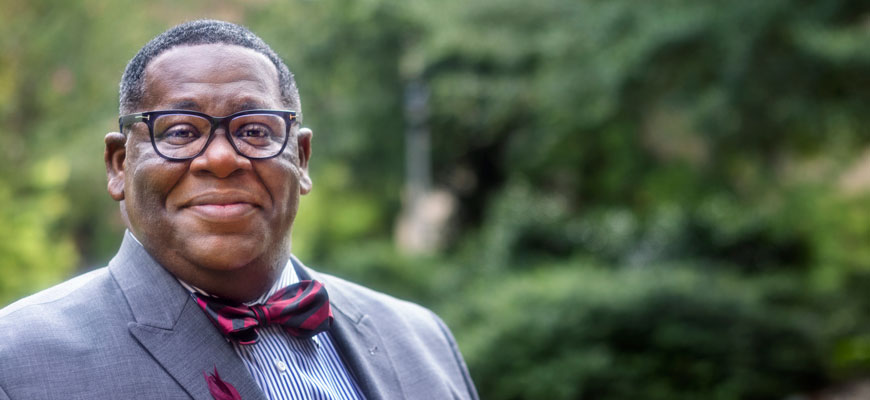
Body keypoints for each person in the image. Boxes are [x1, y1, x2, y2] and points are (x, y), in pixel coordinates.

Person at [0, 20, 478, 400]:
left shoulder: (422, 342)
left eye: (254, 130)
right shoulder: (16, 361)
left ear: (301, 158)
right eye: (180, 132)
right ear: (120, 165)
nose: (222, 159)